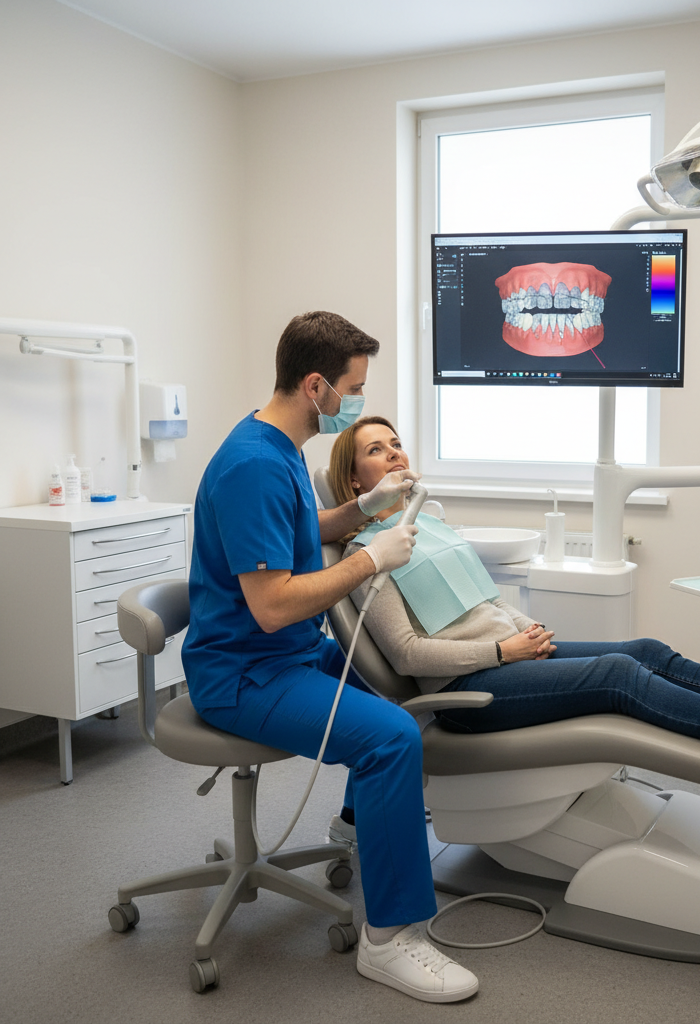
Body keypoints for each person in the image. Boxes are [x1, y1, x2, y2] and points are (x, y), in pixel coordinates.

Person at [181, 312, 479, 1004]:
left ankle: (358, 832)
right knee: (391, 738)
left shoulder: (279, 444)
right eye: (352, 386)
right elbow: (274, 604)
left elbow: (294, 532)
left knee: (398, 709)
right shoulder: (253, 464)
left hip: (284, 654)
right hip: (244, 672)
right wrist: (374, 556)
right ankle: (391, 940)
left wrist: (360, 511)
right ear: (315, 385)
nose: (355, 399)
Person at [331, 416, 700, 781]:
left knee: (646, 650)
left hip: (509, 655)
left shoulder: (427, 523)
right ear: (356, 484)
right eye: (376, 451)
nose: (395, 454)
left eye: (396, 442)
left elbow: (482, 601)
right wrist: (503, 653)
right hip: (466, 691)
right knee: (618, 674)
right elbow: (406, 656)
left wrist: (526, 629)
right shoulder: (365, 558)